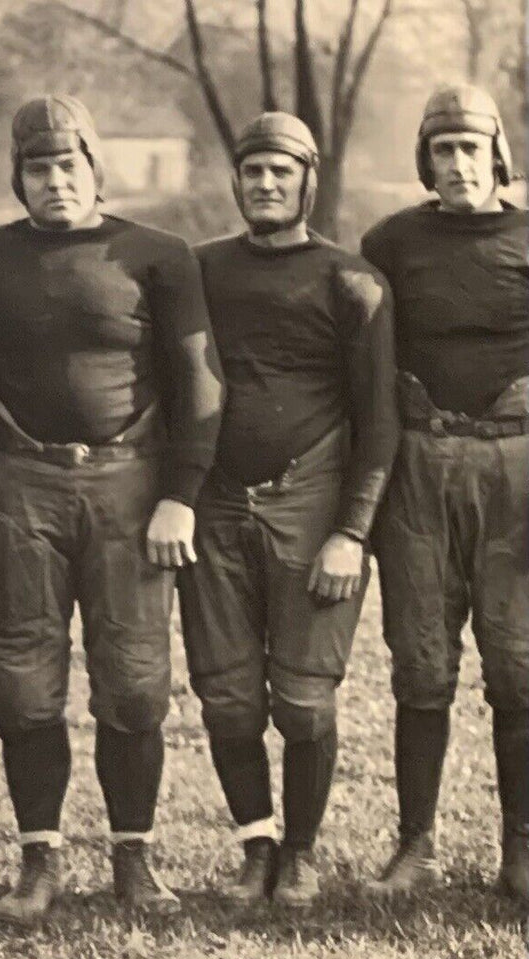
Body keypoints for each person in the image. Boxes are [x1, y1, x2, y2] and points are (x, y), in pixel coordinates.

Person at [0, 95, 223, 922]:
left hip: (128, 483)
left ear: (95, 169)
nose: (54, 181)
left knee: (133, 684)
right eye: (37, 168)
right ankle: (39, 858)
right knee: (21, 683)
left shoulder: (156, 255)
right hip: (20, 482)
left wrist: (179, 496)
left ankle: (133, 856)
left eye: (68, 165)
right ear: (18, 178)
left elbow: (199, 386)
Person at [184, 113, 398, 907]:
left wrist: (351, 531)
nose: (265, 183)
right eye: (252, 171)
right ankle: (256, 845)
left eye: (281, 171)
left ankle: (300, 850)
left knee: (304, 699)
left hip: (312, 502)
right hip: (214, 502)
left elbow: (379, 422)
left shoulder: (352, 282)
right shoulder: (199, 270)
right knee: (227, 696)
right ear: (234, 181)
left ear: (308, 181)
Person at [360, 84, 529, 903]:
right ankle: (415, 844)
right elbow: (366, 365)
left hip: (515, 469)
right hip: (420, 467)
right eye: (442, 149)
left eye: (469, 147)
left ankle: (520, 849)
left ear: (496, 153)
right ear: (424, 160)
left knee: (518, 666)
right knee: (421, 664)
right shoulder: (390, 241)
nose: (457, 163)